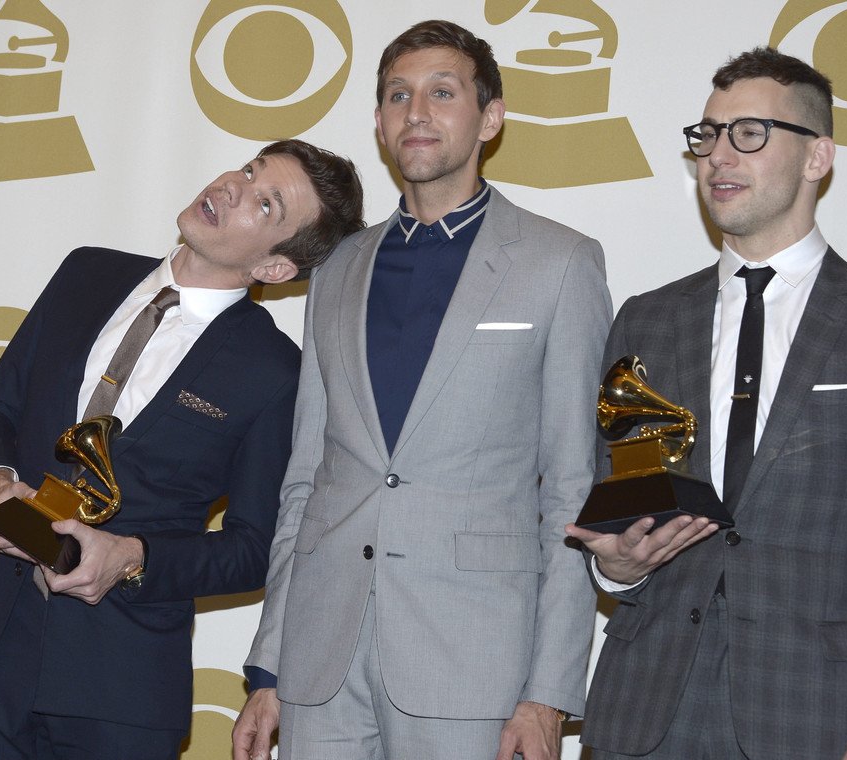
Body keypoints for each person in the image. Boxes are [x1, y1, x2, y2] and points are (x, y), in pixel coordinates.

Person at [232, 19, 612, 760]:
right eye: (397, 95)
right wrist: (270, 664)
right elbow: (307, 478)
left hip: (474, 661)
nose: (416, 112)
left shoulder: (560, 263)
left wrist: (548, 693)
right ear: (379, 123)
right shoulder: (337, 268)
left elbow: (574, 490)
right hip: (321, 662)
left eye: (443, 92)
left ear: (490, 118)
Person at [0, 138, 365, 759]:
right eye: (248, 170)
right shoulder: (86, 273)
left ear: (274, 268)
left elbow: (252, 547)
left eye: (266, 204)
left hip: (120, 680)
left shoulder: (274, 372)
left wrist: (132, 557)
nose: (232, 187)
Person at [567, 47, 847, 760]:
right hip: (642, 709)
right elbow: (626, 490)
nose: (718, 155)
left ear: (817, 156)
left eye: (750, 133)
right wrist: (616, 566)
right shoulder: (648, 319)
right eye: (708, 135)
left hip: (815, 712)